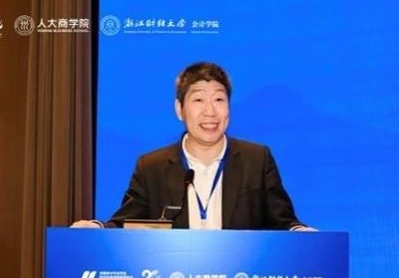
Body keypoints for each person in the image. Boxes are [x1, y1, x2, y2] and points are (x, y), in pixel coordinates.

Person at [72, 62, 312, 230]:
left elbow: (283, 222)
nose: (210, 111)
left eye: (219, 99)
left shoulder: (257, 159)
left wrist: (300, 231)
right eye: (198, 100)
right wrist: (96, 227)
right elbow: (127, 223)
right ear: (180, 109)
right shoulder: (152, 166)